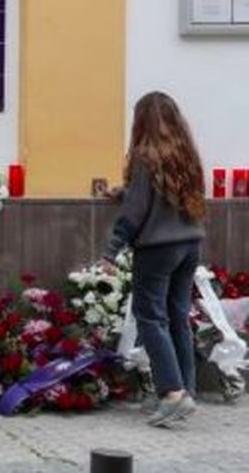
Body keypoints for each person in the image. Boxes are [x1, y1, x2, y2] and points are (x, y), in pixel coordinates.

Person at [102, 91, 207, 428]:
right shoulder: (185, 153)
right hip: (190, 244)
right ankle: (187, 391)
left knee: (150, 319)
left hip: (157, 249)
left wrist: (111, 250)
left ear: (141, 122)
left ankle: (172, 393)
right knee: (178, 318)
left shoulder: (144, 156)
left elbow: (136, 211)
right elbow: (158, 194)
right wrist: (125, 189)